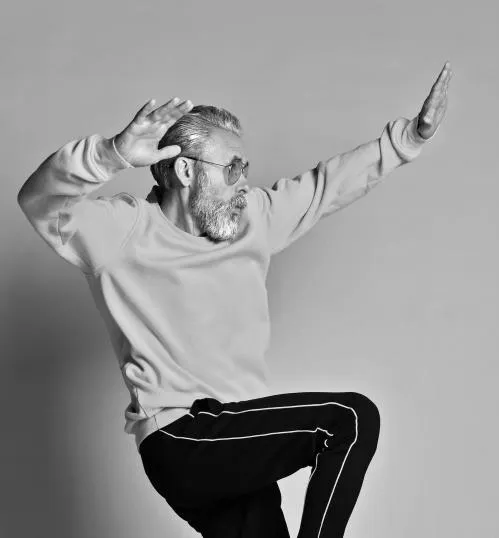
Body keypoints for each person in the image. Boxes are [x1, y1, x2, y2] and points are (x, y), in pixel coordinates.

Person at [17, 61, 453, 538]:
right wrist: (112, 153)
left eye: (245, 168)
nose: (244, 181)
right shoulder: (123, 231)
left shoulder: (252, 221)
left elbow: (324, 187)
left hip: (238, 437)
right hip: (181, 438)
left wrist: (406, 139)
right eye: (232, 169)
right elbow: (40, 201)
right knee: (348, 420)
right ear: (186, 170)